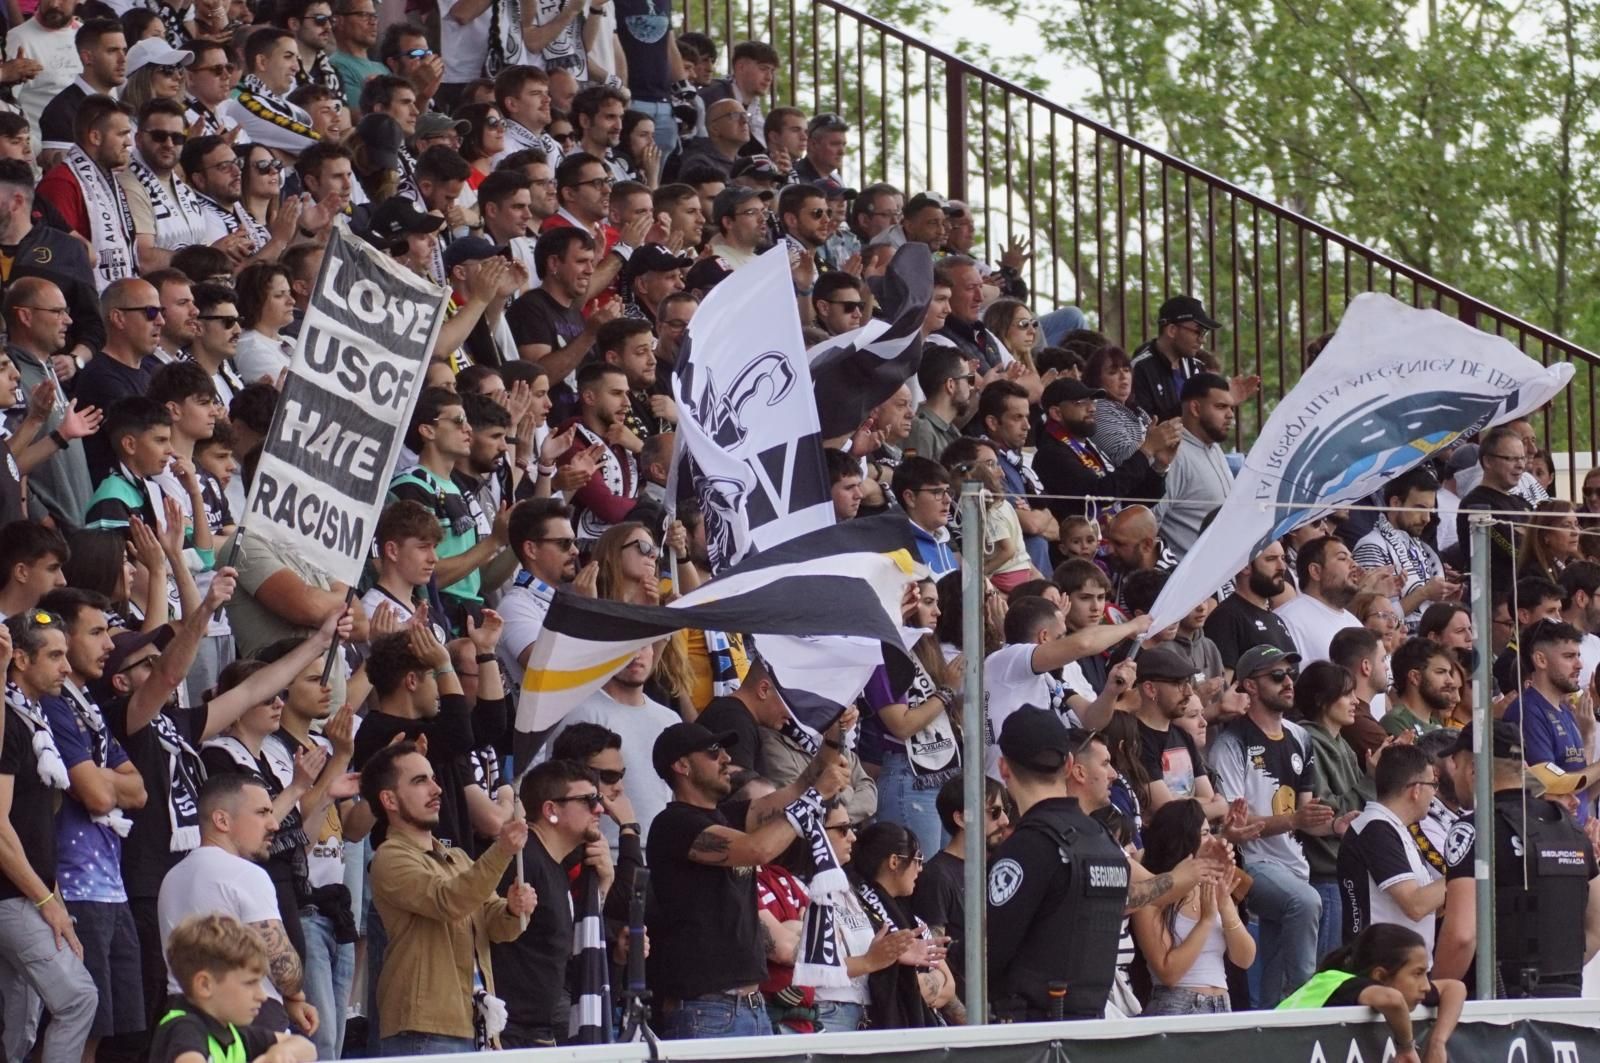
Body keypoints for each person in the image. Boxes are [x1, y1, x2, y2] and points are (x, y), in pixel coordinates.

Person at [985, 709, 1228, 1021]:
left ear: (1004, 768)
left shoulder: (1026, 846)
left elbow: (989, 951)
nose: (1113, 772)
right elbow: (1122, 899)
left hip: (1034, 1029)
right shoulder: (1100, 840)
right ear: (1070, 766)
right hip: (1092, 1024)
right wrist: (1182, 876)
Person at [646, 716, 853, 1039]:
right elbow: (758, 850)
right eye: (714, 752)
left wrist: (833, 737)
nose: (727, 758)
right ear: (682, 766)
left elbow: (800, 786)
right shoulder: (672, 825)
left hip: (751, 1007)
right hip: (706, 1011)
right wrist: (815, 798)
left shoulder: (726, 818)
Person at [361, 740, 537, 1055]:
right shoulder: (389, 857)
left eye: (433, 778)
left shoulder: (456, 857)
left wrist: (512, 909)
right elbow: (448, 901)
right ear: (388, 799)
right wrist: (502, 851)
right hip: (424, 1029)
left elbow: (497, 927)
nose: (437, 789)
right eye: (420, 781)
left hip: (472, 1024)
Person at [1209, 643, 1340, 1007]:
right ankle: (1307, 1006)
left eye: (1290, 675)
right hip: (1247, 863)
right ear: (1249, 686)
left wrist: (1334, 825)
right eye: (1277, 676)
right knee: (1305, 902)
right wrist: (1294, 820)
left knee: (1275, 962)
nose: (1288, 683)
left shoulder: (1300, 737)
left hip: (1291, 863)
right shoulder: (1231, 743)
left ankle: (1271, 1022)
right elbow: (1235, 823)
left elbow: (1304, 817)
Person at [1433, 720, 1600, 994]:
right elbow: (1597, 923)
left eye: (1457, 765)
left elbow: (1463, 935)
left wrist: (1434, 991)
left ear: (1474, 770)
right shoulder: (1570, 828)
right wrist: (1554, 978)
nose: (1454, 774)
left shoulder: (1475, 828)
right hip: (1565, 999)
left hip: (1496, 1008)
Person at [0, 610, 101, 1063]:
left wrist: (52, 898)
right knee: (78, 998)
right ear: (19, 660)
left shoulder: (31, 717)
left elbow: (32, 827)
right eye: (55, 655)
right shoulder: (7, 720)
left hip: (28, 894)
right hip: (12, 897)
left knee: (18, 1029)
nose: (67, 666)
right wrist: (46, 903)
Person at [157, 772, 316, 1036]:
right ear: (222, 820)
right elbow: (285, 971)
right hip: (249, 1025)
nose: (274, 824)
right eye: (262, 812)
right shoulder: (246, 875)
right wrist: (295, 994)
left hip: (182, 1022)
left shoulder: (173, 877)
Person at [489, 759, 615, 1048]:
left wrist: (604, 884)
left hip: (537, 1034)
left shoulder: (554, 866)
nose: (599, 809)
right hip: (509, 1036)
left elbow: (569, 944)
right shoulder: (521, 860)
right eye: (588, 800)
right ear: (551, 810)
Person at [982, 596, 1145, 777]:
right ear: (1044, 636)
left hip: (1040, 781)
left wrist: (1111, 691)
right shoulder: (1007, 660)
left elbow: (1091, 720)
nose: (1066, 641)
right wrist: (1132, 627)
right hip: (1007, 787)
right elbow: (1083, 644)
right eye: (1061, 637)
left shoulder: (1048, 675)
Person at [541, 644, 677, 847]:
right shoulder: (581, 712)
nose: (636, 655)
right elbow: (560, 787)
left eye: (644, 645)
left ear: (653, 650)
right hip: (602, 854)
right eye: (627, 647)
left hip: (661, 856)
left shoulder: (670, 719)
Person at [1132, 799, 1255, 1014]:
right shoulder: (1153, 894)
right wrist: (1206, 921)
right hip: (1176, 1005)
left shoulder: (1213, 884)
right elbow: (1168, 972)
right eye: (1205, 834)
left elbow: (1244, 959)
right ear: (1183, 839)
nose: (1213, 841)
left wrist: (1225, 907)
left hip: (1222, 1005)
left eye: (1210, 832)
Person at [1278, 923, 1465, 1063]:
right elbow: (1393, 1000)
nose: (1425, 986)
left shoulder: (1390, 987)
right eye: (1417, 973)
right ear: (1380, 976)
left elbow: (1455, 988)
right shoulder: (1338, 984)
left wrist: (1437, 1043)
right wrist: (1406, 1047)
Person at [152, 913, 318, 1063]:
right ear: (205, 985)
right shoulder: (184, 1029)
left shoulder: (234, 1032)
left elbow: (306, 1047)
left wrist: (279, 1053)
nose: (262, 996)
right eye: (250, 983)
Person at [910, 774, 1009, 1004]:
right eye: (994, 812)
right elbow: (933, 958)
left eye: (1006, 810)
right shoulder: (936, 876)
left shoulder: (998, 869)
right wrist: (969, 1022)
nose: (1004, 820)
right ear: (962, 818)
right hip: (970, 1018)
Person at [1033, 376, 1176, 522]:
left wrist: (1159, 466)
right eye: (1081, 403)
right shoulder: (1050, 454)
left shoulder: (1088, 447)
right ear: (1057, 413)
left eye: (1092, 401)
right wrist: (1146, 450)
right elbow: (1100, 494)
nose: (1092, 408)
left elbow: (1131, 501)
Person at [1500, 618, 1600, 821]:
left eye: (1578, 656)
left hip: (1575, 835)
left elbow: (1580, 789)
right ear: (1541, 660)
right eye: (1569, 656)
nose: (1579, 664)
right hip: (1548, 838)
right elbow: (1550, 785)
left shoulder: (1565, 711)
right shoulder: (1527, 711)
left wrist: (1588, 737)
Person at [37, 94, 137, 293]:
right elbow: (60, 254)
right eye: (122, 134)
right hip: (82, 305)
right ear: (95, 137)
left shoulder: (109, 181)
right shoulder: (62, 183)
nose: (128, 142)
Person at [1352, 466, 1458, 630]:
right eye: (1420, 508)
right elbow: (1373, 617)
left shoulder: (1418, 545)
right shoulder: (1371, 545)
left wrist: (1446, 599)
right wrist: (1425, 593)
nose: (1427, 519)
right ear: (1395, 503)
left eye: (1430, 511)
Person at [1132, 645, 1228, 816]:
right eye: (1178, 684)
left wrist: (1181, 804)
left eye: (1188, 683)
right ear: (1150, 689)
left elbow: (1208, 796)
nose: (1189, 692)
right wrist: (1215, 808)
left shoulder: (1182, 735)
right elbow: (1166, 811)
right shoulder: (1136, 738)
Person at [1158, 372, 1235, 559]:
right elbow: (1150, 523)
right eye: (1221, 407)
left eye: (1231, 408)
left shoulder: (1214, 448)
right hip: (1189, 578)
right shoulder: (1174, 454)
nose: (1230, 415)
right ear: (1195, 408)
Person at [1456, 424, 1532, 595]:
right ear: (1488, 461)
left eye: (1522, 458)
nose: (1520, 465)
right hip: (1495, 606)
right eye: (1511, 459)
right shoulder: (1475, 503)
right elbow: (1517, 551)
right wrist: (1531, 538)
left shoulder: (1522, 503)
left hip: (1528, 599)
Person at [1205, 540, 1297, 675]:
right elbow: (1222, 687)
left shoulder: (1276, 619)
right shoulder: (1226, 617)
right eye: (1271, 559)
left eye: (1283, 558)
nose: (1282, 566)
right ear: (1245, 567)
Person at [1275, 535, 1364, 663]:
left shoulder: (1355, 624)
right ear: (1316, 571)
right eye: (1342, 558)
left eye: (1352, 558)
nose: (1354, 564)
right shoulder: (1287, 620)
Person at [1129, 295, 1220, 421]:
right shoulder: (1140, 368)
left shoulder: (1197, 367)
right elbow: (1143, 426)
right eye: (1197, 332)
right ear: (1172, 330)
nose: (1202, 340)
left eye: (1204, 333)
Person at [906, 345, 973, 463]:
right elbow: (917, 479)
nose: (972, 387)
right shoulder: (921, 430)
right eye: (969, 379)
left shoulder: (951, 431)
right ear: (950, 385)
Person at [1383, 636, 1458, 740]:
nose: (1450, 681)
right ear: (1415, 677)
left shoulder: (1436, 723)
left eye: (1449, 673)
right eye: (1440, 672)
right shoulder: (1396, 722)